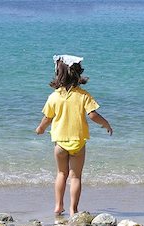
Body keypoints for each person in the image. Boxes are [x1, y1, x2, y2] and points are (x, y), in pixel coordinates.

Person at [36, 54, 113, 216]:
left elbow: (48, 118)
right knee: (76, 177)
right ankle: (73, 209)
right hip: (78, 142)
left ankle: (58, 206)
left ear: (59, 74)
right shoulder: (84, 95)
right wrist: (106, 123)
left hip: (60, 143)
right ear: (78, 74)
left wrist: (41, 128)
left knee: (61, 174)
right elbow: (93, 115)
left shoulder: (54, 96)